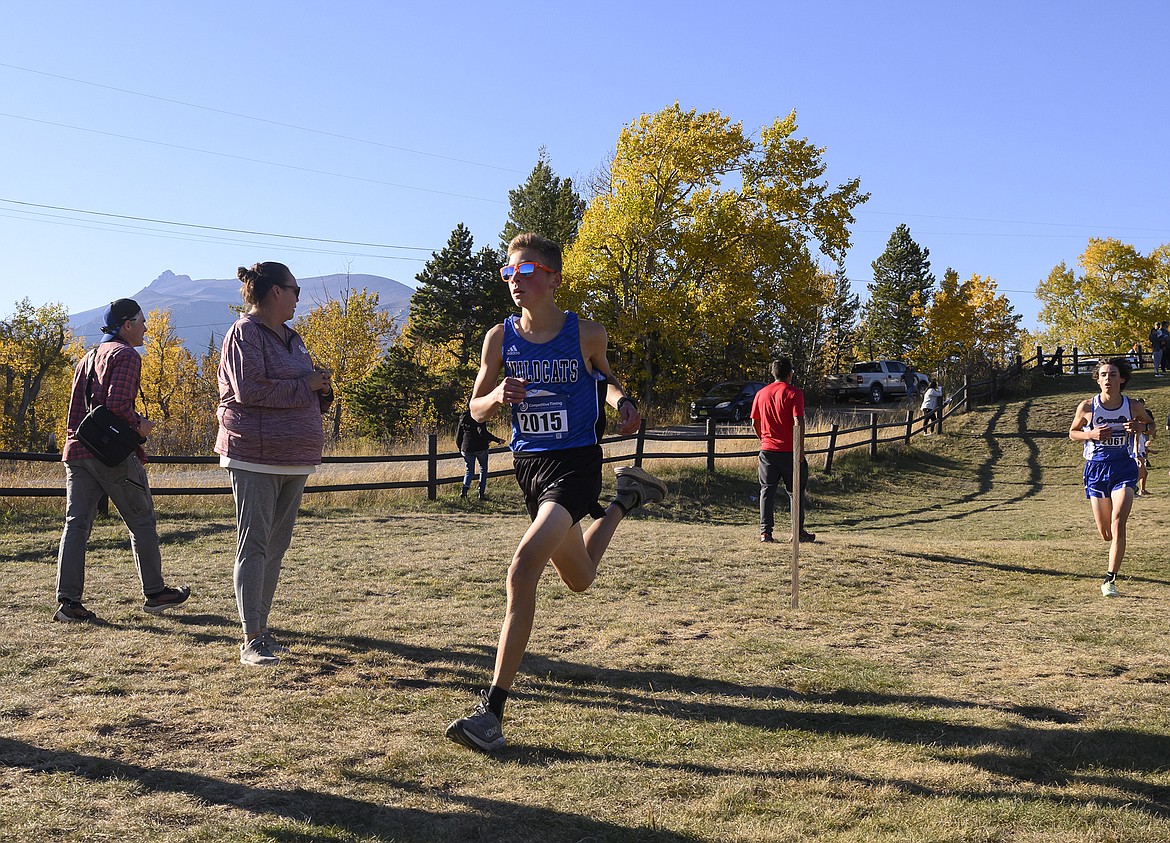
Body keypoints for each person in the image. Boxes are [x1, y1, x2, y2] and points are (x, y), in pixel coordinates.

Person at [445, 233, 667, 753]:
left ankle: (491, 713)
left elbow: (606, 381)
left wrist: (623, 403)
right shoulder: (498, 339)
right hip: (529, 466)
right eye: (508, 272)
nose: (514, 281)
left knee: (523, 567)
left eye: (524, 272)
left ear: (553, 278)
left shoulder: (586, 333)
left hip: (576, 463)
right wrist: (497, 396)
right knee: (580, 578)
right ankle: (625, 500)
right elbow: (474, 410)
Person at [216, 263, 333, 667]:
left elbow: (303, 391)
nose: (299, 296)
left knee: (277, 546)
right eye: (295, 288)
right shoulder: (243, 333)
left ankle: (262, 629)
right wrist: (307, 385)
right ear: (275, 292)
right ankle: (251, 639)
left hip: (294, 457)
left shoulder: (293, 338)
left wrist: (321, 387)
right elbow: (249, 390)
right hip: (255, 454)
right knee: (255, 543)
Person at [54, 298, 191, 622]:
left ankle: (69, 602)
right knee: (141, 522)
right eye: (142, 321)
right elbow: (117, 406)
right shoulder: (126, 355)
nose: (146, 327)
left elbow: (83, 410)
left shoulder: (88, 357)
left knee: (76, 525)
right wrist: (139, 425)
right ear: (127, 325)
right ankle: (156, 594)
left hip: (76, 451)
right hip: (111, 455)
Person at [1068, 357, 1154, 597]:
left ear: (1122, 379)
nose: (1108, 379)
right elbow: (1072, 433)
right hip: (1096, 469)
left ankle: (1110, 579)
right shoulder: (1087, 407)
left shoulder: (1133, 406)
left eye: (1113, 374)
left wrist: (1141, 429)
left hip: (1124, 468)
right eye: (1103, 375)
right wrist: (1092, 434)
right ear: (1098, 380)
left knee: (1119, 521)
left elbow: (1151, 427)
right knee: (1106, 532)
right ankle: (1111, 554)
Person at [750, 358, 814, 544]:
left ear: (773, 373)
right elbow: (798, 421)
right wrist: (800, 449)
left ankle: (765, 532)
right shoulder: (794, 393)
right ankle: (797, 531)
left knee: (767, 490)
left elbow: (754, 421)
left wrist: (763, 438)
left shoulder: (761, 393)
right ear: (789, 373)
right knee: (795, 492)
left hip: (768, 450)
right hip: (789, 451)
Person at [455, 409, 504, 500]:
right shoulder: (479, 414)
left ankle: (464, 491)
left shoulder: (463, 417)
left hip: (466, 447)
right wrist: (497, 440)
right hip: (480, 447)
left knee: (469, 471)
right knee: (483, 469)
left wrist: (460, 447)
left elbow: (458, 435)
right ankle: (481, 493)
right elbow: (482, 432)